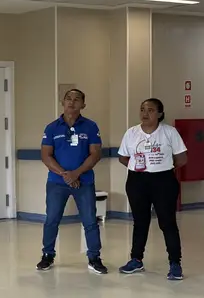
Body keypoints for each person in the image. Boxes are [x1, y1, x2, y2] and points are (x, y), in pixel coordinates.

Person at [37, 88, 107, 274]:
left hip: (84, 182)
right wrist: (66, 175)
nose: (72, 102)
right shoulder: (52, 128)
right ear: (63, 102)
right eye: (68, 98)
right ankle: (47, 255)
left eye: (77, 99)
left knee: (90, 220)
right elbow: (46, 156)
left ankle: (94, 257)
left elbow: (95, 154)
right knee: (52, 219)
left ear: (83, 104)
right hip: (57, 182)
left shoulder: (90, 127)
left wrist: (76, 173)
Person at [118, 98, 188, 280]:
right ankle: (136, 259)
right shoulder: (131, 133)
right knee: (140, 221)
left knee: (167, 222)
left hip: (163, 181)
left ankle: (175, 263)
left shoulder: (169, 132)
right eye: (142, 109)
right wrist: (140, 168)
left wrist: (162, 167)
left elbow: (182, 158)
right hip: (137, 181)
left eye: (150, 110)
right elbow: (123, 157)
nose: (145, 113)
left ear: (160, 114)